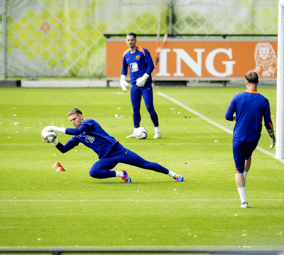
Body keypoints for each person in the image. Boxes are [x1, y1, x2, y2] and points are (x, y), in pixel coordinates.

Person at [42, 108, 183, 183]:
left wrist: (56, 128)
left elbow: (77, 130)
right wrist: (53, 140)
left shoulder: (89, 122)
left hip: (118, 151)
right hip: (106, 159)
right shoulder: (77, 136)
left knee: (146, 165)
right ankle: (120, 174)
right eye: (70, 120)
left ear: (81, 117)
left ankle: (173, 174)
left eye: (74, 119)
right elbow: (64, 149)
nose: (72, 122)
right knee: (94, 172)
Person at [225, 71, 275, 208]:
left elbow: (228, 116)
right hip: (254, 139)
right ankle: (244, 180)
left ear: (246, 82)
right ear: (258, 82)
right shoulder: (264, 100)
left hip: (239, 138)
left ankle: (243, 200)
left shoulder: (237, 97)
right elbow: (268, 123)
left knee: (238, 169)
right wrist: (272, 136)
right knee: (248, 155)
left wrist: (237, 118)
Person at [120, 32, 161, 139]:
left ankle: (157, 130)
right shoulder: (125, 54)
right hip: (134, 85)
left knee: (149, 107)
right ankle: (136, 130)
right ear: (126, 41)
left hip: (145, 84)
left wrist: (144, 78)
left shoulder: (143, 51)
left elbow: (151, 66)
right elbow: (124, 67)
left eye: (132, 40)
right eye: (128, 40)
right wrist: (122, 78)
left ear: (135, 40)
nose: (130, 42)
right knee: (135, 109)